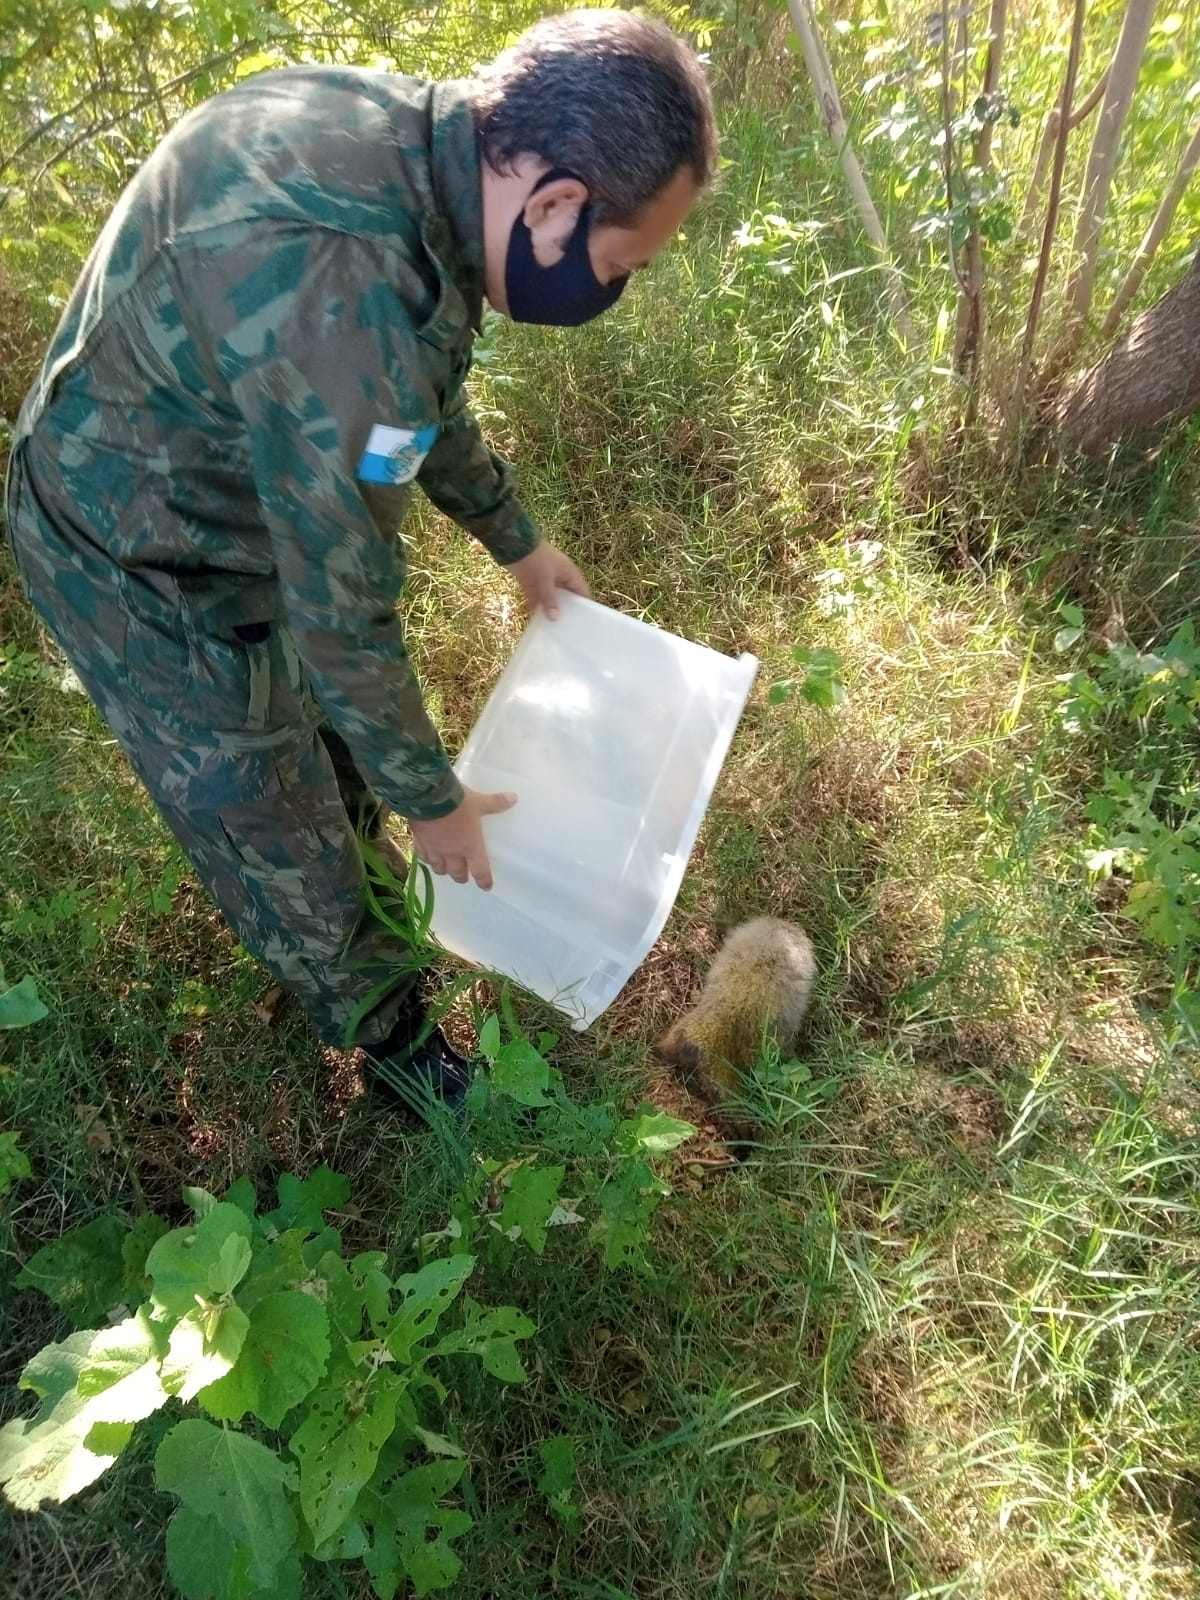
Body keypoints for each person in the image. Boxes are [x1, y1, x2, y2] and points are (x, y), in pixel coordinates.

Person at [3, 11, 718, 1109]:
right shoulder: (349, 292)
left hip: (225, 483)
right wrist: (434, 800)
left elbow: (415, 394)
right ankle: (398, 1045)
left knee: (339, 752)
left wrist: (516, 537)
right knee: (269, 803)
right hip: (132, 547)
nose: (612, 288)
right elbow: (341, 612)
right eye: (621, 263)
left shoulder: (417, 155)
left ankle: (373, 887)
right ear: (556, 204)